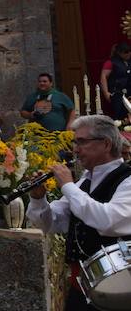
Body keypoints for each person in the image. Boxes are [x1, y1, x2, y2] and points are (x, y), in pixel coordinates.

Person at [26, 115, 131, 311]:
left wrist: (67, 185)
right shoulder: (85, 181)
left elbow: (108, 221)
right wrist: (38, 199)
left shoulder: (127, 181)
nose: (75, 149)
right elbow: (52, 223)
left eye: (81, 141)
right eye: (75, 142)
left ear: (106, 144)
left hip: (119, 290)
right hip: (81, 286)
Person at [100, 42, 131, 120]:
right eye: (126, 52)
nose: (129, 54)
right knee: (120, 116)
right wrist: (106, 93)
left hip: (130, 92)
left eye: (129, 51)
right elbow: (103, 76)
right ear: (119, 53)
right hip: (118, 93)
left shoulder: (129, 62)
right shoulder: (111, 62)